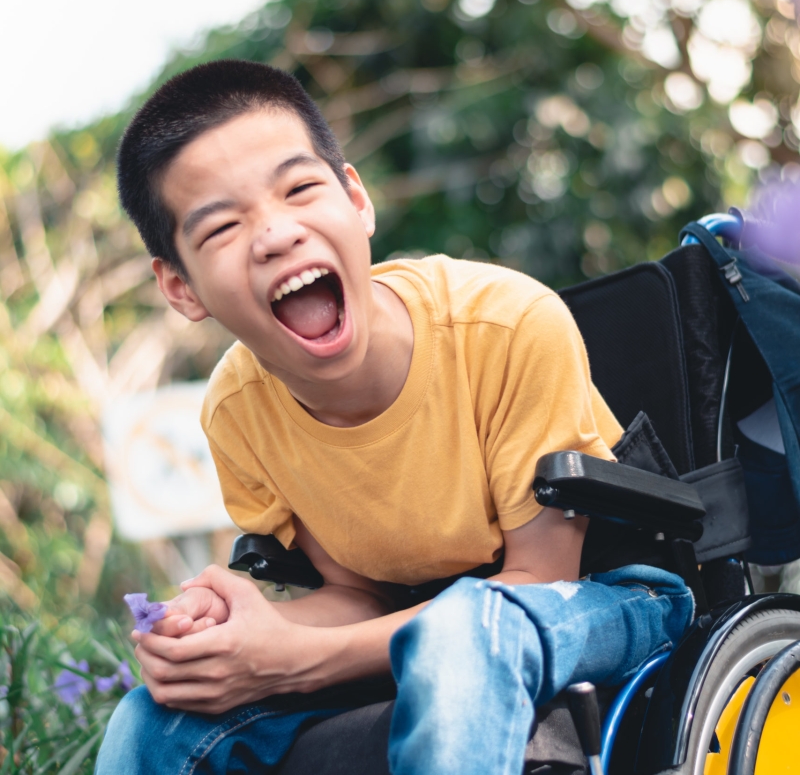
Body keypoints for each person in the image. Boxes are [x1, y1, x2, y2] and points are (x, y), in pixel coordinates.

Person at [95, 59, 694, 775]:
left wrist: (296, 661)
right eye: (222, 227)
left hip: (603, 596)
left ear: (357, 200)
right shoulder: (237, 411)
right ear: (181, 287)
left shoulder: (509, 324)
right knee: (153, 719)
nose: (275, 234)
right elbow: (354, 595)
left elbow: (538, 579)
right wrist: (238, 635)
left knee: (462, 634)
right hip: (423, 620)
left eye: (300, 189)